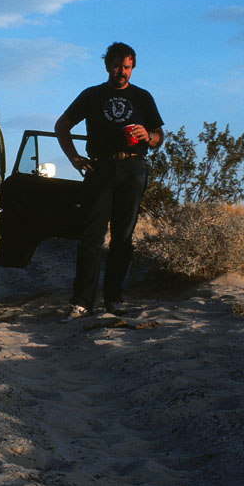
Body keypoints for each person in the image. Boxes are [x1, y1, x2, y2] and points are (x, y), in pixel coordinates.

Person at [55, 42, 165, 320]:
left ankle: (114, 299)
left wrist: (147, 136)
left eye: (127, 67)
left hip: (134, 167)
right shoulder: (92, 95)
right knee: (91, 237)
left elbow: (158, 138)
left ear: (132, 68)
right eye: (117, 66)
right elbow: (62, 126)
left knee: (123, 238)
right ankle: (81, 303)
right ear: (107, 66)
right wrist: (74, 158)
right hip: (100, 168)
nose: (122, 72)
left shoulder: (143, 97)